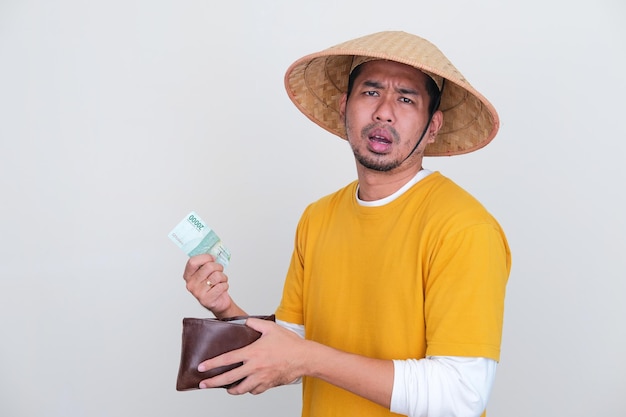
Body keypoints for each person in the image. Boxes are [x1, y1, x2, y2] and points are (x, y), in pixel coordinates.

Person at [182, 31, 511, 417]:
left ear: (433, 125)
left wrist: (309, 358)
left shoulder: (464, 228)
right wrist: (227, 310)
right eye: (371, 92)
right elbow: (291, 351)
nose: (384, 112)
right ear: (344, 107)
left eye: (406, 99)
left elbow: (461, 397)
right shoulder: (318, 218)